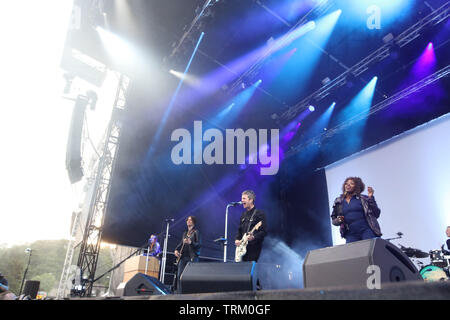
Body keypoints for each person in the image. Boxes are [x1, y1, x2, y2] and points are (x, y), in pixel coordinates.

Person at [331, 177, 381, 243]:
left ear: (357, 186)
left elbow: (376, 214)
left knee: (369, 250)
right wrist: (338, 220)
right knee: (353, 252)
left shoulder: (363, 198)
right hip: (350, 234)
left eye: (352, 183)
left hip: (366, 230)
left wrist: (371, 198)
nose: (348, 185)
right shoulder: (339, 201)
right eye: (346, 183)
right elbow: (334, 220)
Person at [234, 190, 267, 262]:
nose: (242, 201)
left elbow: (264, 232)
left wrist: (254, 237)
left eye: (244, 198)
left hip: (254, 248)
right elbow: (240, 230)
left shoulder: (259, 214)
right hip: (242, 248)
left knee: (249, 269)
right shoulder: (243, 215)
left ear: (251, 200)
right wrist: (237, 239)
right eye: (242, 198)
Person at [173, 216, 201, 293]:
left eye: (190, 220)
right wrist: (176, 250)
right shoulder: (185, 233)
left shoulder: (196, 232)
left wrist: (191, 242)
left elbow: (199, 245)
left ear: (193, 222)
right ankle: (180, 295)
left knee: (190, 277)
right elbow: (181, 243)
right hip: (182, 257)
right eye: (187, 220)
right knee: (179, 276)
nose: (188, 221)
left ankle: (189, 294)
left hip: (191, 257)